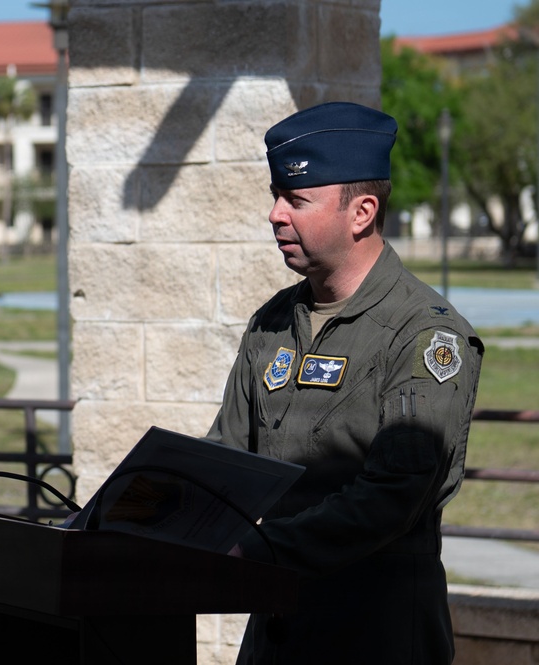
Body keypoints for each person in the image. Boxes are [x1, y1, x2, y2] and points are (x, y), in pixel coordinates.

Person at [206, 101, 485, 664]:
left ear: (361, 213)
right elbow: (224, 463)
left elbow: (390, 498)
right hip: (278, 638)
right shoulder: (272, 324)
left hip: (376, 639)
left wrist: (256, 551)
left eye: (296, 199)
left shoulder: (426, 336)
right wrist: (139, 516)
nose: (275, 214)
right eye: (275, 196)